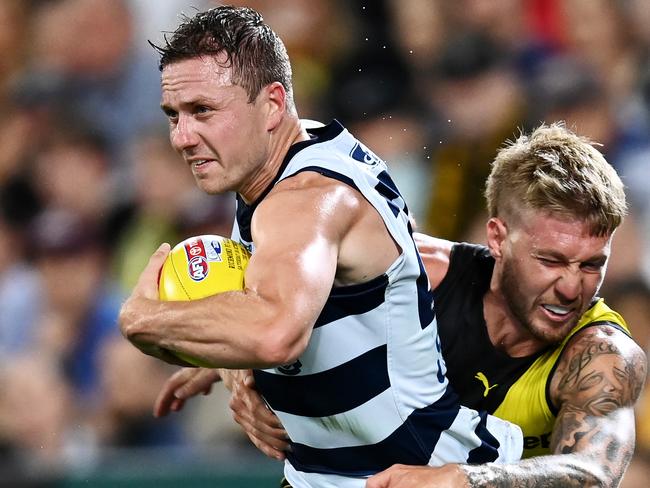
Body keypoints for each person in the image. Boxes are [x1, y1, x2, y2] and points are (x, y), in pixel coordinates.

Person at [118, 6, 522, 488]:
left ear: (271, 105)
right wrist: (232, 365)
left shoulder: (305, 199)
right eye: (174, 115)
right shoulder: (289, 158)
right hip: (333, 473)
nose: (182, 137)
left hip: (419, 474)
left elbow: (275, 333)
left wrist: (142, 320)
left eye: (203, 110)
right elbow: (297, 298)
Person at [156, 123, 647, 487]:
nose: (571, 287)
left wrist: (462, 479)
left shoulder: (601, 356)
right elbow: (268, 292)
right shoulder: (414, 276)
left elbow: (591, 473)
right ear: (497, 237)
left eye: (590, 265)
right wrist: (233, 368)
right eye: (551, 260)